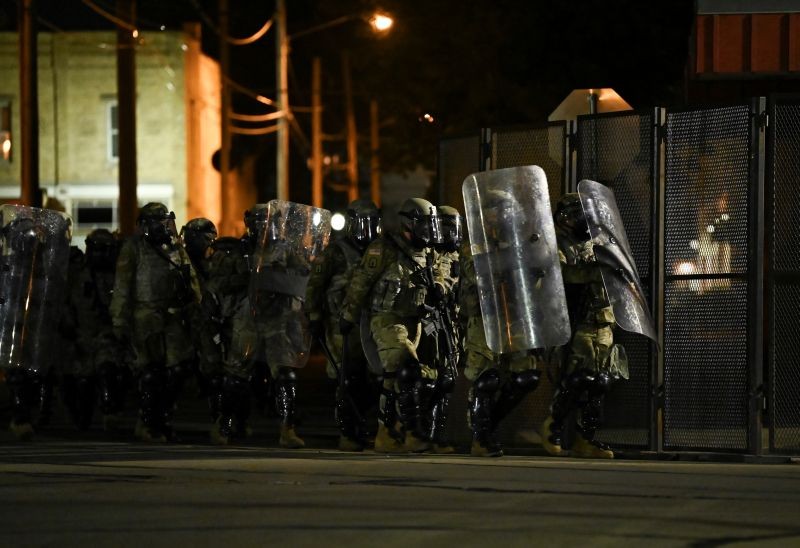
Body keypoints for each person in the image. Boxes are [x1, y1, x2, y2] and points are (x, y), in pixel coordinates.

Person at [541, 187, 646, 459]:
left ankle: (585, 438)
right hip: (578, 323)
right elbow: (561, 275)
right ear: (565, 217)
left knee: (601, 381)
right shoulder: (555, 244)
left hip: (603, 323)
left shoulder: (595, 243)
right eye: (580, 216)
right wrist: (595, 271)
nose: (586, 222)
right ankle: (552, 427)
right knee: (578, 378)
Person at [339, 198, 444, 453]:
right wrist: (349, 316)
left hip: (414, 321)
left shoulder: (428, 251)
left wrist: (441, 286)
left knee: (393, 378)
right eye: (424, 224)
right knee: (407, 369)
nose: (429, 230)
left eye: (431, 224)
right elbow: (361, 283)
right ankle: (412, 434)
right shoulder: (384, 248)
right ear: (409, 223)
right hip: (386, 319)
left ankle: (386, 433)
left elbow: (440, 272)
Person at [110, 202, 201, 442]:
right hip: (145, 316)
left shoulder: (174, 248)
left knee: (178, 369)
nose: (161, 226)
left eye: (164, 221)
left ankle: (165, 417)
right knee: (151, 372)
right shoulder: (134, 248)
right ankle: (148, 422)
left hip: (172, 315)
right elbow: (122, 287)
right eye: (156, 222)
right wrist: (119, 321)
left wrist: (197, 308)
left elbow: (190, 278)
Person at [306, 199, 382, 451]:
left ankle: (362, 425)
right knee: (345, 377)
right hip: (340, 324)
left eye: (372, 223)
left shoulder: (377, 250)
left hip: (370, 323)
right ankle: (347, 432)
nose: (367, 229)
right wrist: (314, 317)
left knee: (374, 378)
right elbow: (314, 286)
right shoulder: (336, 252)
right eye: (363, 223)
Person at [0, 207, 71, 440]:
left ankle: (24, 416)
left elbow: (52, 295)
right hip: (10, 324)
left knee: (32, 372)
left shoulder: (43, 267)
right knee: (16, 372)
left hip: (32, 325)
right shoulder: (8, 265)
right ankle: (19, 418)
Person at [61, 228, 125, 430]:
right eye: (96, 249)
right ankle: (80, 418)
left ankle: (110, 411)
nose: (100, 254)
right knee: (81, 381)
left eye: (104, 249)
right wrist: (68, 325)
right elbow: (66, 301)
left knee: (108, 371)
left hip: (107, 334)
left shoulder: (119, 275)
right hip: (81, 333)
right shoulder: (77, 274)